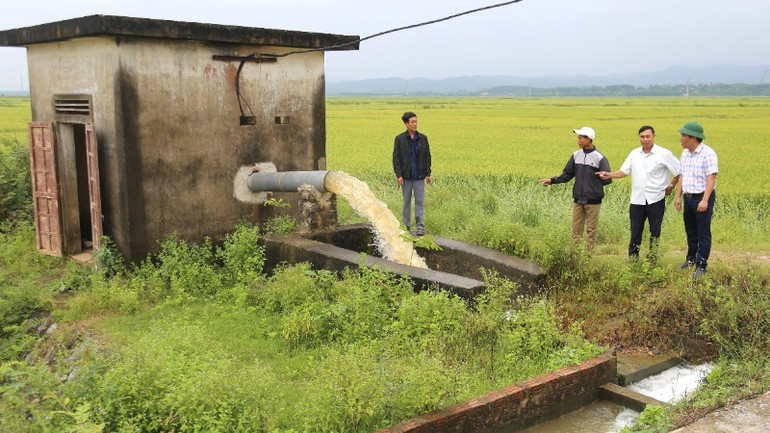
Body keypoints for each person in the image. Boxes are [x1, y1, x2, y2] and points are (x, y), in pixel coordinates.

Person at [597, 125, 680, 259]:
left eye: (648, 136)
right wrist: (609, 174)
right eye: (642, 137)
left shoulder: (664, 154)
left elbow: (678, 171)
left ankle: (652, 259)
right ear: (639, 137)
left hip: (656, 198)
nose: (645, 139)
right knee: (635, 231)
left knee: (655, 231)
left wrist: (671, 186)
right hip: (637, 199)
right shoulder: (634, 153)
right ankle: (633, 260)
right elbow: (624, 171)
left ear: (654, 136)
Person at [540, 127, 612, 250]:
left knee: (591, 230)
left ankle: (587, 257)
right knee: (576, 230)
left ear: (588, 139)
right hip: (578, 199)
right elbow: (567, 175)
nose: (578, 140)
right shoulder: (576, 155)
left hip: (593, 201)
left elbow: (608, 179)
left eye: (580, 138)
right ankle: (574, 255)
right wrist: (551, 180)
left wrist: (596, 183)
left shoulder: (599, 157)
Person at [674, 121, 718, 279]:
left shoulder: (708, 153)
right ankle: (690, 259)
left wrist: (705, 200)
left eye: (683, 135)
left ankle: (702, 265)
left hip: (702, 197)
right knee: (691, 231)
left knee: (703, 232)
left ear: (693, 138)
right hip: (688, 197)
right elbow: (682, 176)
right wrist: (678, 196)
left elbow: (711, 177)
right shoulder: (685, 154)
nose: (681, 138)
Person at [393, 111, 432, 236]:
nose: (415, 124)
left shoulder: (423, 138)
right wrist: (399, 175)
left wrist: (428, 174)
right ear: (406, 124)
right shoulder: (399, 139)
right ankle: (406, 226)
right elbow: (396, 158)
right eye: (412, 122)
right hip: (406, 177)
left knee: (419, 202)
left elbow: (427, 157)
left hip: (419, 176)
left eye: (416, 121)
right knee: (406, 202)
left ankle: (420, 227)